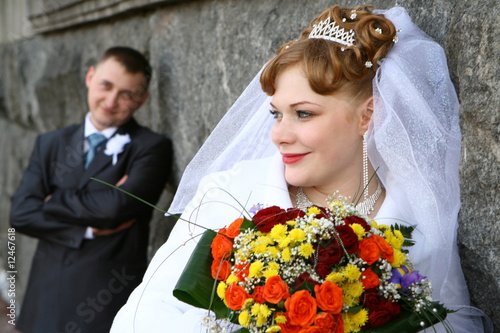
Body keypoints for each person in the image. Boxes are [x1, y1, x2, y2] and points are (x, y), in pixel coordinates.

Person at [111, 5, 492, 333]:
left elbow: (451, 319)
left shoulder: (417, 211)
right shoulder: (229, 194)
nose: (280, 135)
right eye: (276, 114)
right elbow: (140, 318)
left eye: (303, 114)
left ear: (367, 116)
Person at [9, 46, 173, 333]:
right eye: (106, 86)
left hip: (106, 299)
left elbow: (115, 208)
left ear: (142, 100)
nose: (111, 101)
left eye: (127, 94)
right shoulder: (50, 143)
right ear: (90, 77)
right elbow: (21, 213)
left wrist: (51, 202)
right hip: (45, 296)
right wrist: (85, 229)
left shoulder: (150, 147)